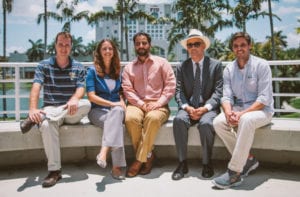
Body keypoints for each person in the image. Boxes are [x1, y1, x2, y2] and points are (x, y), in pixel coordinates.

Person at [20, 32, 91, 187]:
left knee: (86, 104)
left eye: (67, 45)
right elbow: (36, 87)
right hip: (51, 109)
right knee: (45, 125)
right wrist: (33, 109)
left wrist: (73, 99)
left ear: (71, 47)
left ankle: (42, 116)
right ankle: (54, 172)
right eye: (60, 44)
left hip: (70, 111)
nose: (63, 48)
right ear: (55, 46)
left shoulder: (78, 66)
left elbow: (81, 88)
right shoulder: (44, 65)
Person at [212, 32, 274, 189]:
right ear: (233, 48)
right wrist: (228, 112)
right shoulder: (229, 69)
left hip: (262, 110)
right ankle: (248, 159)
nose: (239, 48)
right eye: (236, 46)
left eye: (243, 45)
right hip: (239, 109)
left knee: (246, 120)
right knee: (218, 122)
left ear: (249, 46)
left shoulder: (261, 65)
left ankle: (234, 173)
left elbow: (263, 99)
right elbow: (226, 97)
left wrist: (241, 114)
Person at [122, 32, 176, 177]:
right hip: (136, 104)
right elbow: (127, 90)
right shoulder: (128, 68)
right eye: (138, 43)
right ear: (134, 46)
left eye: (144, 43)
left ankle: (139, 160)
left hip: (158, 105)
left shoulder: (162, 63)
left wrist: (158, 103)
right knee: (130, 118)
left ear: (149, 45)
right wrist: (141, 103)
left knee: (152, 118)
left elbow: (170, 86)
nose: (141, 46)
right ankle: (148, 156)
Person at [171, 29, 223, 180]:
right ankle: (182, 163)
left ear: (203, 46)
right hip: (189, 107)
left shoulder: (215, 65)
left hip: (207, 108)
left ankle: (207, 163)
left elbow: (218, 92)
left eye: (196, 44)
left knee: (206, 124)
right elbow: (179, 91)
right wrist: (187, 107)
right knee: (179, 120)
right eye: (190, 45)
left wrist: (205, 108)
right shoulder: (182, 66)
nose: (193, 47)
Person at [86, 39, 126, 180]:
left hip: (115, 110)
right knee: (116, 123)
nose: (108, 51)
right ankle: (116, 167)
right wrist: (112, 104)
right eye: (104, 49)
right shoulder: (92, 71)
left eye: (110, 48)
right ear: (99, 52)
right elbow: (91, 96)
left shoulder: (117, 70)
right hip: (97, 111)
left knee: (118, 113)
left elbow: (121, 93)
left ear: (114, 51)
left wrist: (121, 103)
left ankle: (103, 153)